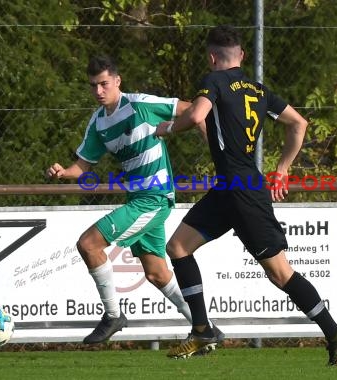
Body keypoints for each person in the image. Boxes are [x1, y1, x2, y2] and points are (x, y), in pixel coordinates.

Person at [155, 25, 337, 366]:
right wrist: (283, 168)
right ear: (243, 56)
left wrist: (170, 128)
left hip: (243, 192)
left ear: (212, 57)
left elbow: (198, 114)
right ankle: (202, 328)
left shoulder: (214, 81)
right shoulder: (259, 90)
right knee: (177, 247)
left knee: (280, 273)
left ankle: (335, 333)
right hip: (230, 188)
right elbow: (299, 124)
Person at [46, 55, 222, 345]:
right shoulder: (98, 123)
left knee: (88, 244)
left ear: (117, 81)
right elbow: (82, 167)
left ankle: (113, 315)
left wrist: (216, 152)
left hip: (154, 199)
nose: (98, 91)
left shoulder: (140, 104)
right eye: (93, 86)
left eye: (104, 84)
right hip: (138, 198)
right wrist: (63, 172)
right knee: (156, 274)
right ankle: (207, 330)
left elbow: (194, 110)